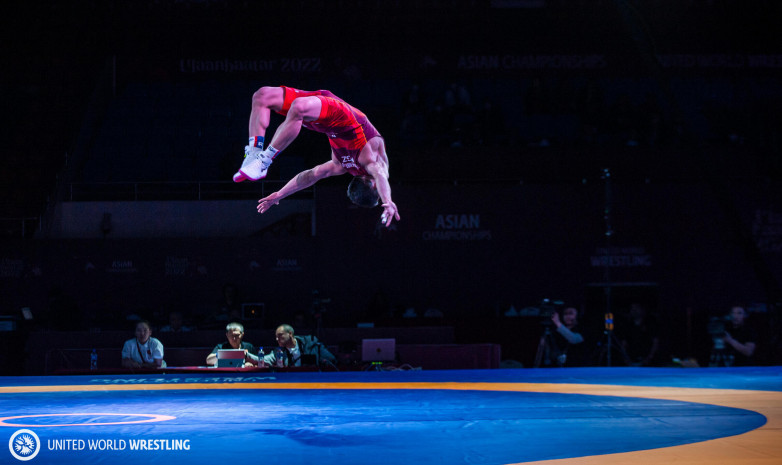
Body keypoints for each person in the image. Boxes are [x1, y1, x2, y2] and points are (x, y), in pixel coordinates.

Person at [234, 86, 400, 228]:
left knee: (297, 107)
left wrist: (280, 194)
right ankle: (254, 154)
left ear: (372, 187)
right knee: (262, 96)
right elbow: (380, 175)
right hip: (326, 106)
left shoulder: (342, 165)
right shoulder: (373, 162)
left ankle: (263, 161)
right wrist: (388, 200)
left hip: (332, 116)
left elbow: (310, 176)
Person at [262, 324, 336, 367]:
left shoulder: (311, 344)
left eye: (280, 335)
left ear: (290, 334)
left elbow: (332, 360)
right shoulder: (279, 351)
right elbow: (262, 360)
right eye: (276, 336)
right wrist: (249, 356)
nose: (277, 339)